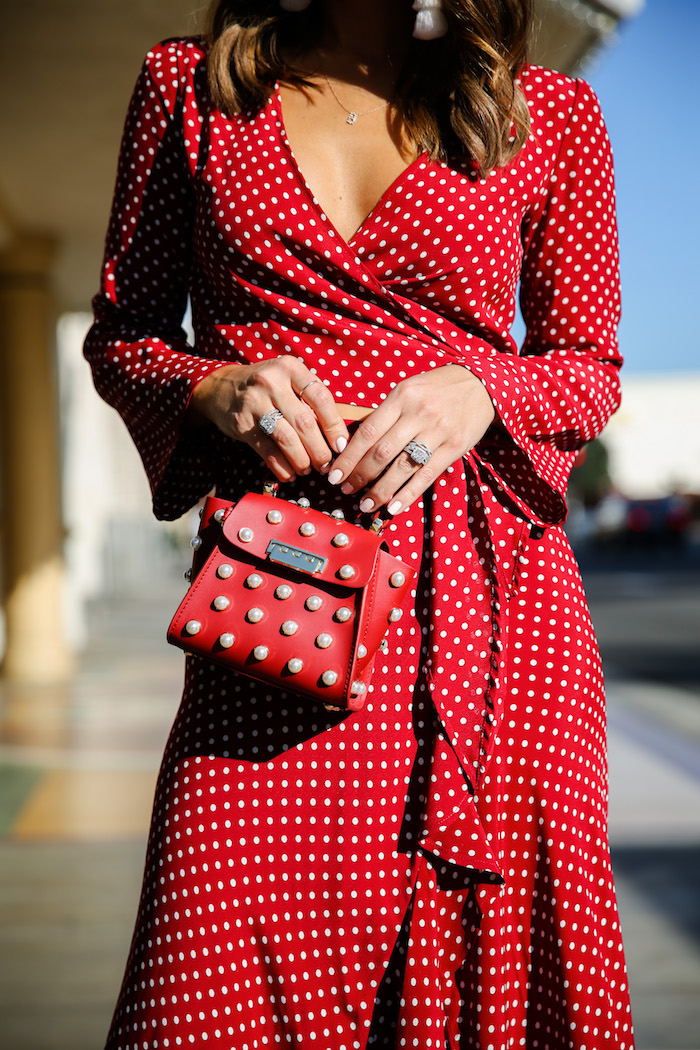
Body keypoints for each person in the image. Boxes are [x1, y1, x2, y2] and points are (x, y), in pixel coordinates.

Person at [84, 0, 635, 1046]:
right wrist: (217, 389)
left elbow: (587, 368)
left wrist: (479, 388)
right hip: (277, 596)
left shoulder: (547, 112)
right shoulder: (187, 89)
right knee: (207, 964)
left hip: (496, 608)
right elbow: (126, 338)